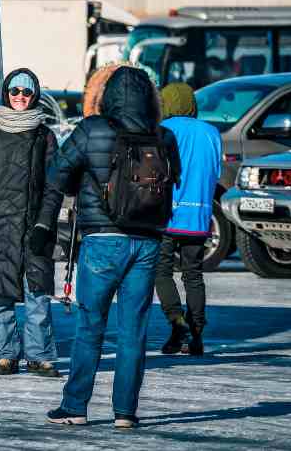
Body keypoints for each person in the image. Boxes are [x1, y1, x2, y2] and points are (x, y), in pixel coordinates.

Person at [33, 64, 180, 429]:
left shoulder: (92, 129)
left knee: (90, 326)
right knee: (134, 330)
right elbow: (172, 180)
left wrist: (45, 224)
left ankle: (75, 406)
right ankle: (125, 412)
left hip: (102, 240)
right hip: (147, 242)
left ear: (108, 96)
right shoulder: (162, 135)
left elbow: (57, 177)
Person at [0, 68, 62, 378]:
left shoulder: (44, 135)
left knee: (37, 293)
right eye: (15, 91)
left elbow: (54, 185)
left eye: (27, 92)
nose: (21, 97)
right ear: (6, 93)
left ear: (35, 95)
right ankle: (5, 355)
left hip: (34, 224)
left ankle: (39, 356)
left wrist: (45, 223)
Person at [155, 82, 222, 357]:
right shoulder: (212, 132)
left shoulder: (163, 129)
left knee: (161, 270)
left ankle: (177, 322)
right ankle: (196, 335)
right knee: (193, 274)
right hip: (199, 215)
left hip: (168, 214)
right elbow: (217, 172)